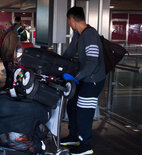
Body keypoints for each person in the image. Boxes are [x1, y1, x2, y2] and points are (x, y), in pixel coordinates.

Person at [60, 6, 106, 155]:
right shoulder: (78, 34)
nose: (69, 23)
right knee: (72, 105)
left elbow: (92, 63)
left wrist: (76, 77)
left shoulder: (90, 35)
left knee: (84, 112)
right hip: (84, 79)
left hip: (93, 81)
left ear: (72, 19)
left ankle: (86, 145)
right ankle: (74, 136)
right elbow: (70, 51)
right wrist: (57, 63)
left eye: (69, 20)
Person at [0, 21, 17, 90]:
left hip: (8, 57)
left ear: (10, 25)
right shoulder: (7, 33)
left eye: (6, 24)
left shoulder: (12, 33)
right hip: (5, 56)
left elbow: (12, 46)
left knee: (9, 73)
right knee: (8, 73)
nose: (5, 26)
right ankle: (7, 85)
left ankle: (9, 86)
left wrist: (8, 57)